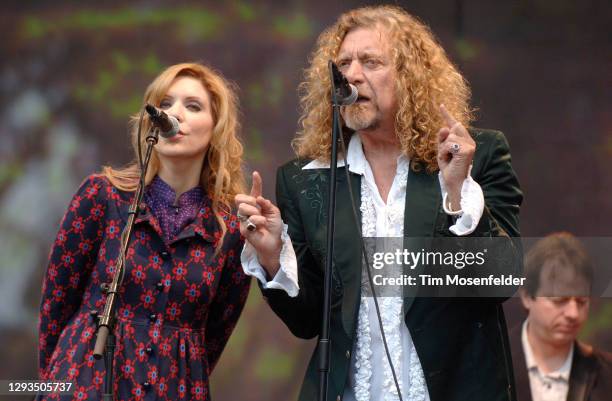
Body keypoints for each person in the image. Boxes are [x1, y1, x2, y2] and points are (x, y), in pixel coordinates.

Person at [235, 5, 522, 401]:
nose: (352, 75)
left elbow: (498, 282)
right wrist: (272, 259)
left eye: (371, 62)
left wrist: (457, 194)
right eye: (344, 64)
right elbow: (307, 321)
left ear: (410, 77)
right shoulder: (307, 180)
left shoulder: (475, 155)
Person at [37, 62, 251, 401]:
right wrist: (56, 381)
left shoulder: (230, 230)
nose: (174, 113)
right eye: (164, 104)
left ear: (216, 128)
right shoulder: (103, 195)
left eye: (192, 106)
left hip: (174, 388)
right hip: (84, 383)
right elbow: (56, 303)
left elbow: (216, 332)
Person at [511, 233, 612, 401]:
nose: (573, 313)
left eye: (581, 301)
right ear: (528, 297)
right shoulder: (492, 364)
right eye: (559, 301)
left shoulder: (606, 373)